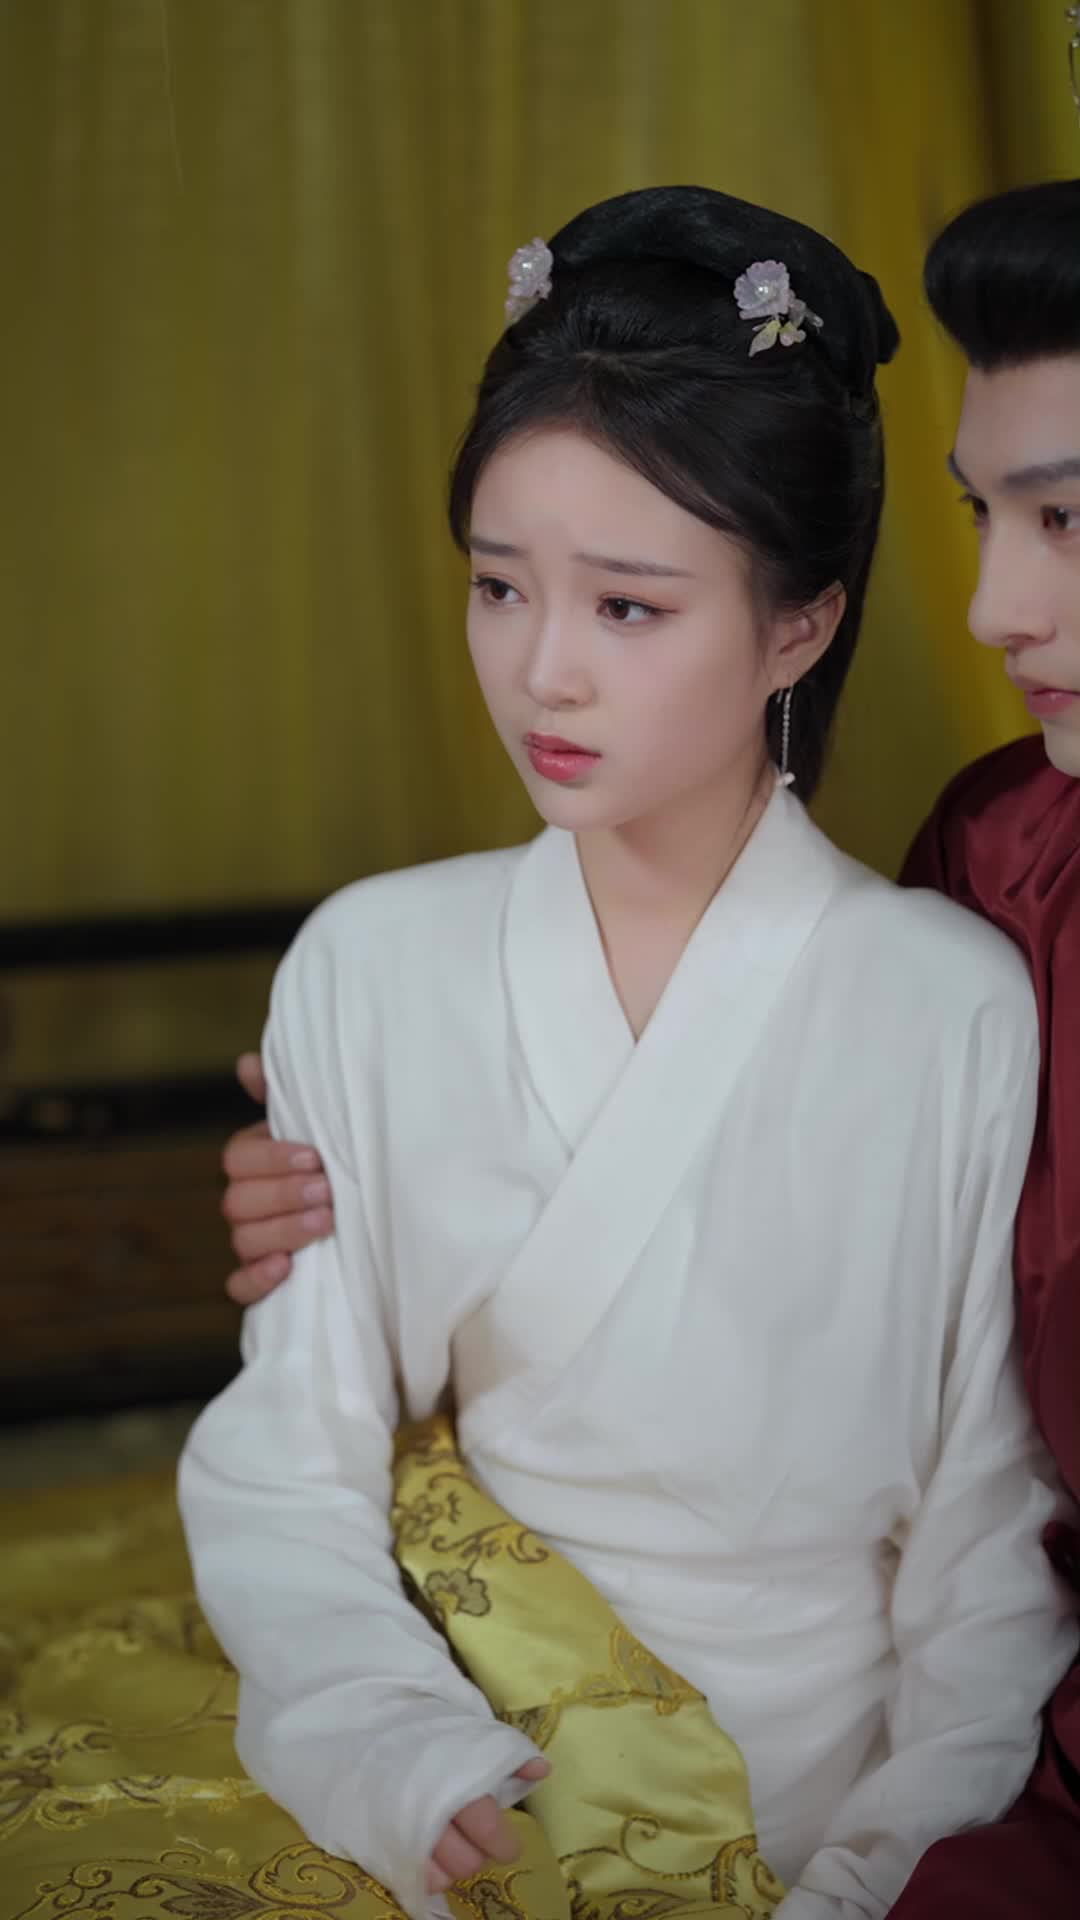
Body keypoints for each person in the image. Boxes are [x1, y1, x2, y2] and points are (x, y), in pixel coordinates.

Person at [183, 185, 1074, 1920]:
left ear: (800, 624)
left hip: (836, 1774)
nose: (543, 675)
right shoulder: (368, 963)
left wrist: (888, 1867)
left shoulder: (956, 1000)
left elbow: (987, 1545)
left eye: (631, 609)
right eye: (499, 586)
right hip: (470, 1747)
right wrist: (391, 1745)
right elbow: (289, 1448)